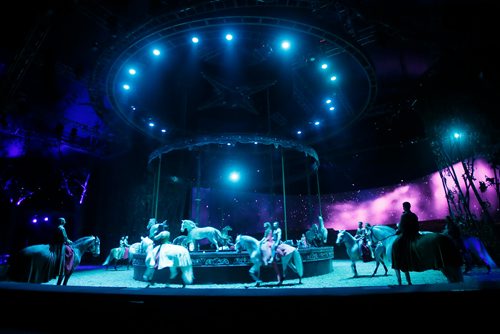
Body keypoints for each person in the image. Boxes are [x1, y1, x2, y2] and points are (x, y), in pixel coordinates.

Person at [391, 201, 420, 273]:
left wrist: (398, 231)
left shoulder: (404, 215)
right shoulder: (414, 215)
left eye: (403, 207)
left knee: (395, 244)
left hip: (407, 234)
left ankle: (398, 263)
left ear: (404, 207)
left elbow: (401, 227)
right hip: (415, 233)